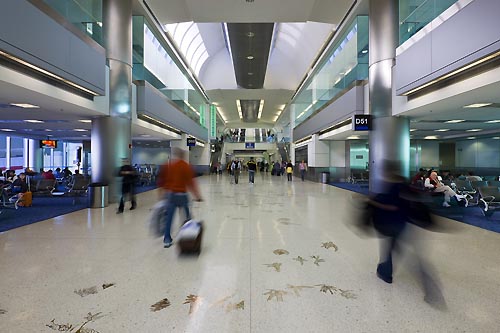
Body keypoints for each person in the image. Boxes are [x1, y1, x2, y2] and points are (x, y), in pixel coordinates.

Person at [157, 147, 203, 248]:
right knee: (187, 217)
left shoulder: (170, 166)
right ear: (183, 155)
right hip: (182, 195)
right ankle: (190, 235)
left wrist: (161, 194)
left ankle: (167, 239)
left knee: (169, 218)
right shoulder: (186, 166)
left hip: (171, 195)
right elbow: (191, 183)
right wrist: (197, 196)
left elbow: (163, 181)